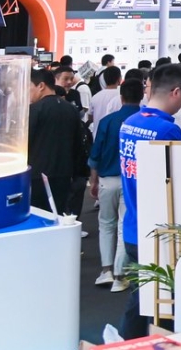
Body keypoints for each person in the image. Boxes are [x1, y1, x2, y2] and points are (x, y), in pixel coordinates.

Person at [118, 64, 181, 338]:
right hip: (159, 233)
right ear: (176, 92)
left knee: (141, 299)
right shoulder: (167, 130)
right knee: (157, 305)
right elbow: (178, 179)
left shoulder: (130, 122)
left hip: (133, 224)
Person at [89, 76, 143, 291]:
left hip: (107, 179)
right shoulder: (143, 122)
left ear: (121, 98)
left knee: (106, 223)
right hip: (132, 180)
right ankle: (121, 275)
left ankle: (106, 270)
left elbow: (96, 154)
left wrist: (93, 180)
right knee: (123, 224)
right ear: (142, 96)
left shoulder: (108, 121)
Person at [27, 66, 82, 213]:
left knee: (38, 215)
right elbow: (78, 144)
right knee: (58, 214)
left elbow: (26, 142)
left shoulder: (34, 110)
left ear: (41, 86)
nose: (28, 92)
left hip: (37, 174)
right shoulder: (71, 109)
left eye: (29, 87)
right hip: (64, 174)